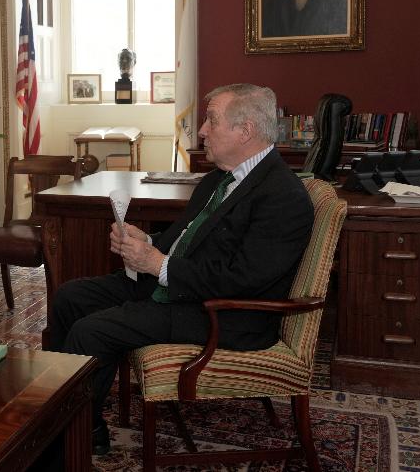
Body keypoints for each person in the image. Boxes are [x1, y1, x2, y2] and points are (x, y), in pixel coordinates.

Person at [47, 83, 314, 455]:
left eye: (211, 121)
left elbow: (244, 280)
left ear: (245, 131)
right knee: (70, 297)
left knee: (91, 332)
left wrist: (158, 263)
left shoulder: (282, 196)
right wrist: (145, 243)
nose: (202, 130)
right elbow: (179, 240)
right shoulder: (218, 179)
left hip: (224, 315)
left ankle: (65, 445)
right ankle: (76, 423)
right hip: (183, 289)